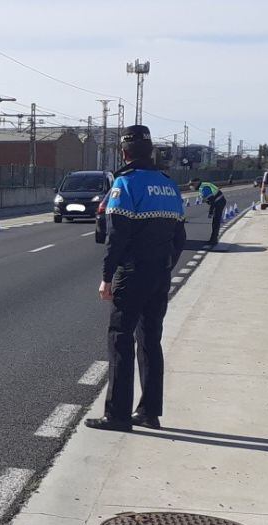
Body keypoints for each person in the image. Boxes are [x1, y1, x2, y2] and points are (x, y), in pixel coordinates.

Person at [86, 125, 186, 433]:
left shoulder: (125, 184)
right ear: (151, 151)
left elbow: (116, 237)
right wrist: (166, 266)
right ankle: (149, 411)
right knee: (150, 341)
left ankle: (117, 415)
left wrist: (107, 277)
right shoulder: (169, 186)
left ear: (124, 153)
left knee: (120, 337)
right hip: (160, 273)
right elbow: (179, 237)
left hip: (132, 273)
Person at [190, 178, 226, 247]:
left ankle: (213, 240)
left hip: (219, 202)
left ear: (197, 183)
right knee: (215, 222)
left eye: (192, 184)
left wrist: (210, 212)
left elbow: (212, 200)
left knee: (216, 222)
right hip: (218, 202)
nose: (191, 186)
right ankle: (213, 239)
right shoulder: (202, 187)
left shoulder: (204, 188)